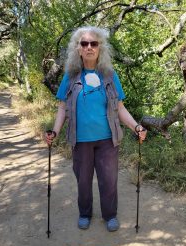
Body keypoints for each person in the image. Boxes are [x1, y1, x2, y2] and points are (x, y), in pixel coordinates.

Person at [45, 26, 147, 232]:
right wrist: (54, 132)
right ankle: (85, 213)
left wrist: (136, 126)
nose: (89, 47)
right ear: (78, 49)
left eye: (94, 43)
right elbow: (63, 107)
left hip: (108, 140)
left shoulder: (109, 75)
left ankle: (110, 215)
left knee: (109, 180)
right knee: (83, 181)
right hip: (80, 139)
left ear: (100, 48)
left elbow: (120, 108)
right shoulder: (71, 77)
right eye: (84, 43)